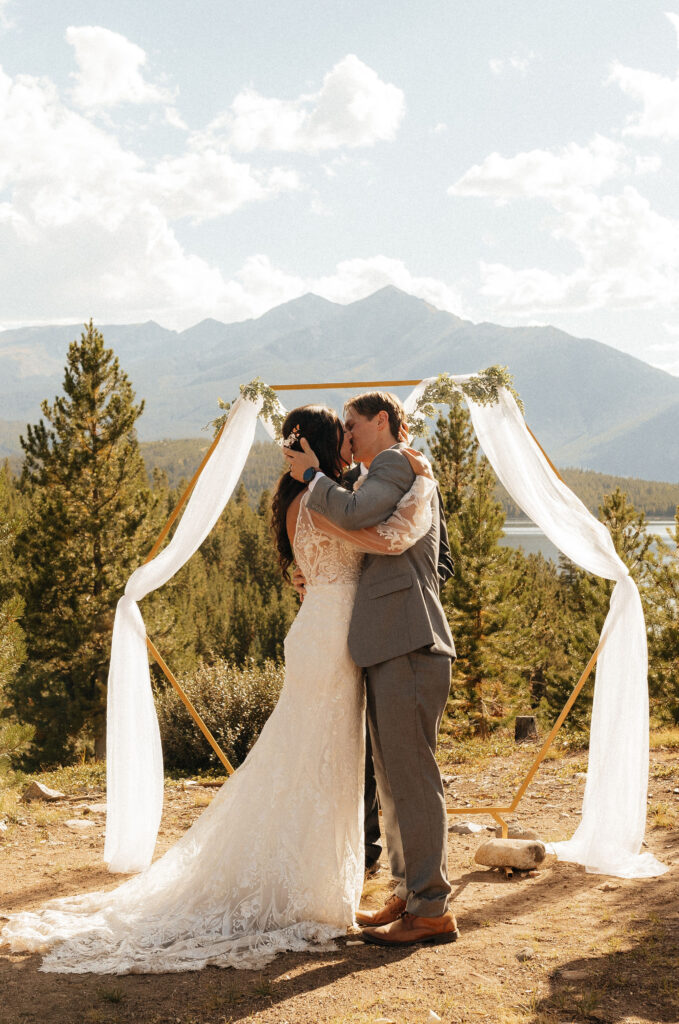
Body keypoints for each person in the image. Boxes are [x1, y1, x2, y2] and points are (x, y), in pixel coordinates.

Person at [1, 404, 438, 973]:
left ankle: (333, 884)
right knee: (312, 759)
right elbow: (376, 537)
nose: (353, 442)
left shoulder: (305, 495)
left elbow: (332, 547)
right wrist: (416, 487)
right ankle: (301, 886)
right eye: (346, 434)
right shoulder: (319, 496)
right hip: (332, 639)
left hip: (332, 634)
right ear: (332, 444)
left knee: (318, 759)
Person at [285, 391, 458, 948]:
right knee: (392, 779)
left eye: (354, 424)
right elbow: (367, 539)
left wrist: (314, 476)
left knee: (412, 779)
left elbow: (356, 516)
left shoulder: (393, 463)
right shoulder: (382, 472)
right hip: (388, 643)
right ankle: (409, 892)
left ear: (381, 421)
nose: (347, 436)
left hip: (409, 641)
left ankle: (432, 906)